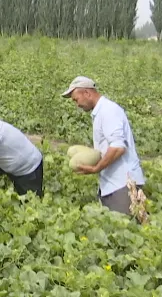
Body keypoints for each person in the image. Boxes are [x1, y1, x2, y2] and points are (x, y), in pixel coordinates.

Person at [61, 76, 146, 216]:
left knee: (124, 229)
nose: (77, 104)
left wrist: (96, 168)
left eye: (76, 100)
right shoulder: (100, 112)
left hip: (122, 184)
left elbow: (118, 147)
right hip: (111, 184)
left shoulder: (108, 111)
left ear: (87, 93)